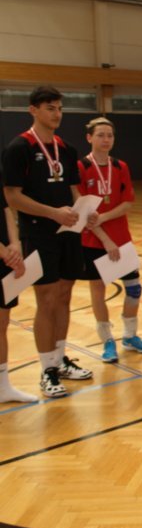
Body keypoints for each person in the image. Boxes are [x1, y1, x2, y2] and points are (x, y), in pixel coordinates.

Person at [2, 86, 94, 398]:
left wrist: (85, 211)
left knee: (65, 296)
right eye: (50, 108)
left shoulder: (66, 149)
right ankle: (46, 370)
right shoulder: (19, 148)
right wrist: (53, 213)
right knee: (48, 299)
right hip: (38, 233)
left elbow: (74, 190)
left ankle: (60, 358)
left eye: (59, 108)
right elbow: (13, 197)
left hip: (68, 232)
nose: (57, 114)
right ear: (33, 110)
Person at [78, 117, 142, 363]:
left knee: (134, 289)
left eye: (109, 135)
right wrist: (104, 238)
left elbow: (128, 202)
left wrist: (103, 217)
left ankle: (130, 336)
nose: (106, 139)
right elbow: (82, 211)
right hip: (93, 241)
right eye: (100, 135)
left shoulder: (121, 166)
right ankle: (107, 341)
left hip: (121, 239)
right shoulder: (81, 167)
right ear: (89, 138)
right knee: (98, 291)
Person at [0, 171, 34, 403]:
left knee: (2, 323)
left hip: (6, 256)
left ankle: (3, 387)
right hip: (4, 255)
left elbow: (5, 208)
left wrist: (15, 243)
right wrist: (5, 252)